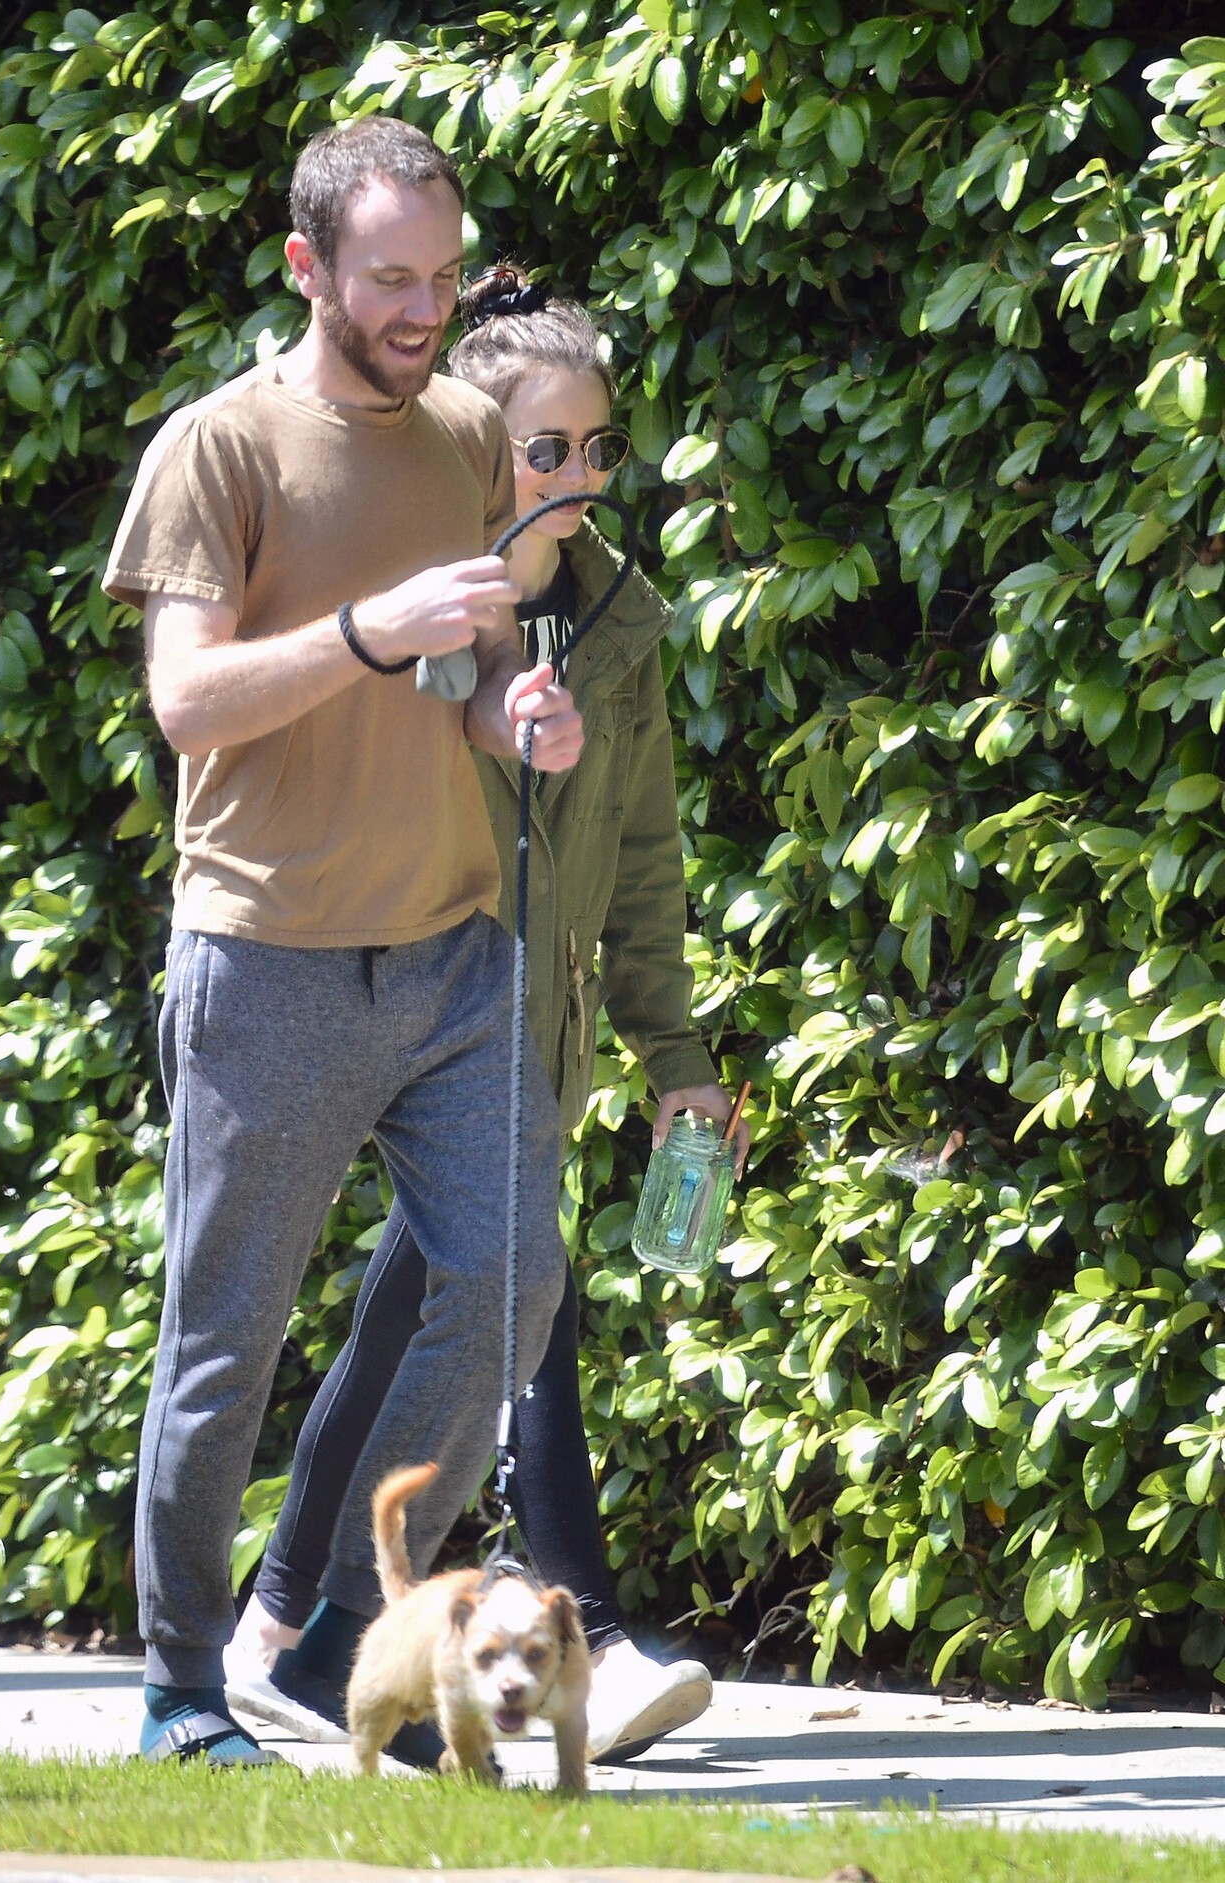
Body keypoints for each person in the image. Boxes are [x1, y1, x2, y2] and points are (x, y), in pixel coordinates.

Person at [101, 133, 586, 1767]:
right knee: (223, 1347)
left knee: (513, 1285)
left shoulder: (466, 435)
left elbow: (481, 668)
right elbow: (188, 702)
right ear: (306, 267)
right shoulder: (217, 447)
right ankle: (182, 1686)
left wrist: (524, 717)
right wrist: (368, 633)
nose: (425, 311)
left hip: (452, 957)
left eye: (444, 277)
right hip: (269, 965)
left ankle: (331, 1647)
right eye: (390, 280)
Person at [226, 265, 750, 1765]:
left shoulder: (621, 622)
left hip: (541, 1030)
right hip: (430, 1018)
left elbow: (642, 857)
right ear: (475, 450)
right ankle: (594, 1629)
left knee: (423, 1305)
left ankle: (285, 1626)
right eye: (545, 449)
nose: (577, 477)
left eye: (599, 448)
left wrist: (677, 1057)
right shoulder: (423, 608)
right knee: (528, 1289)